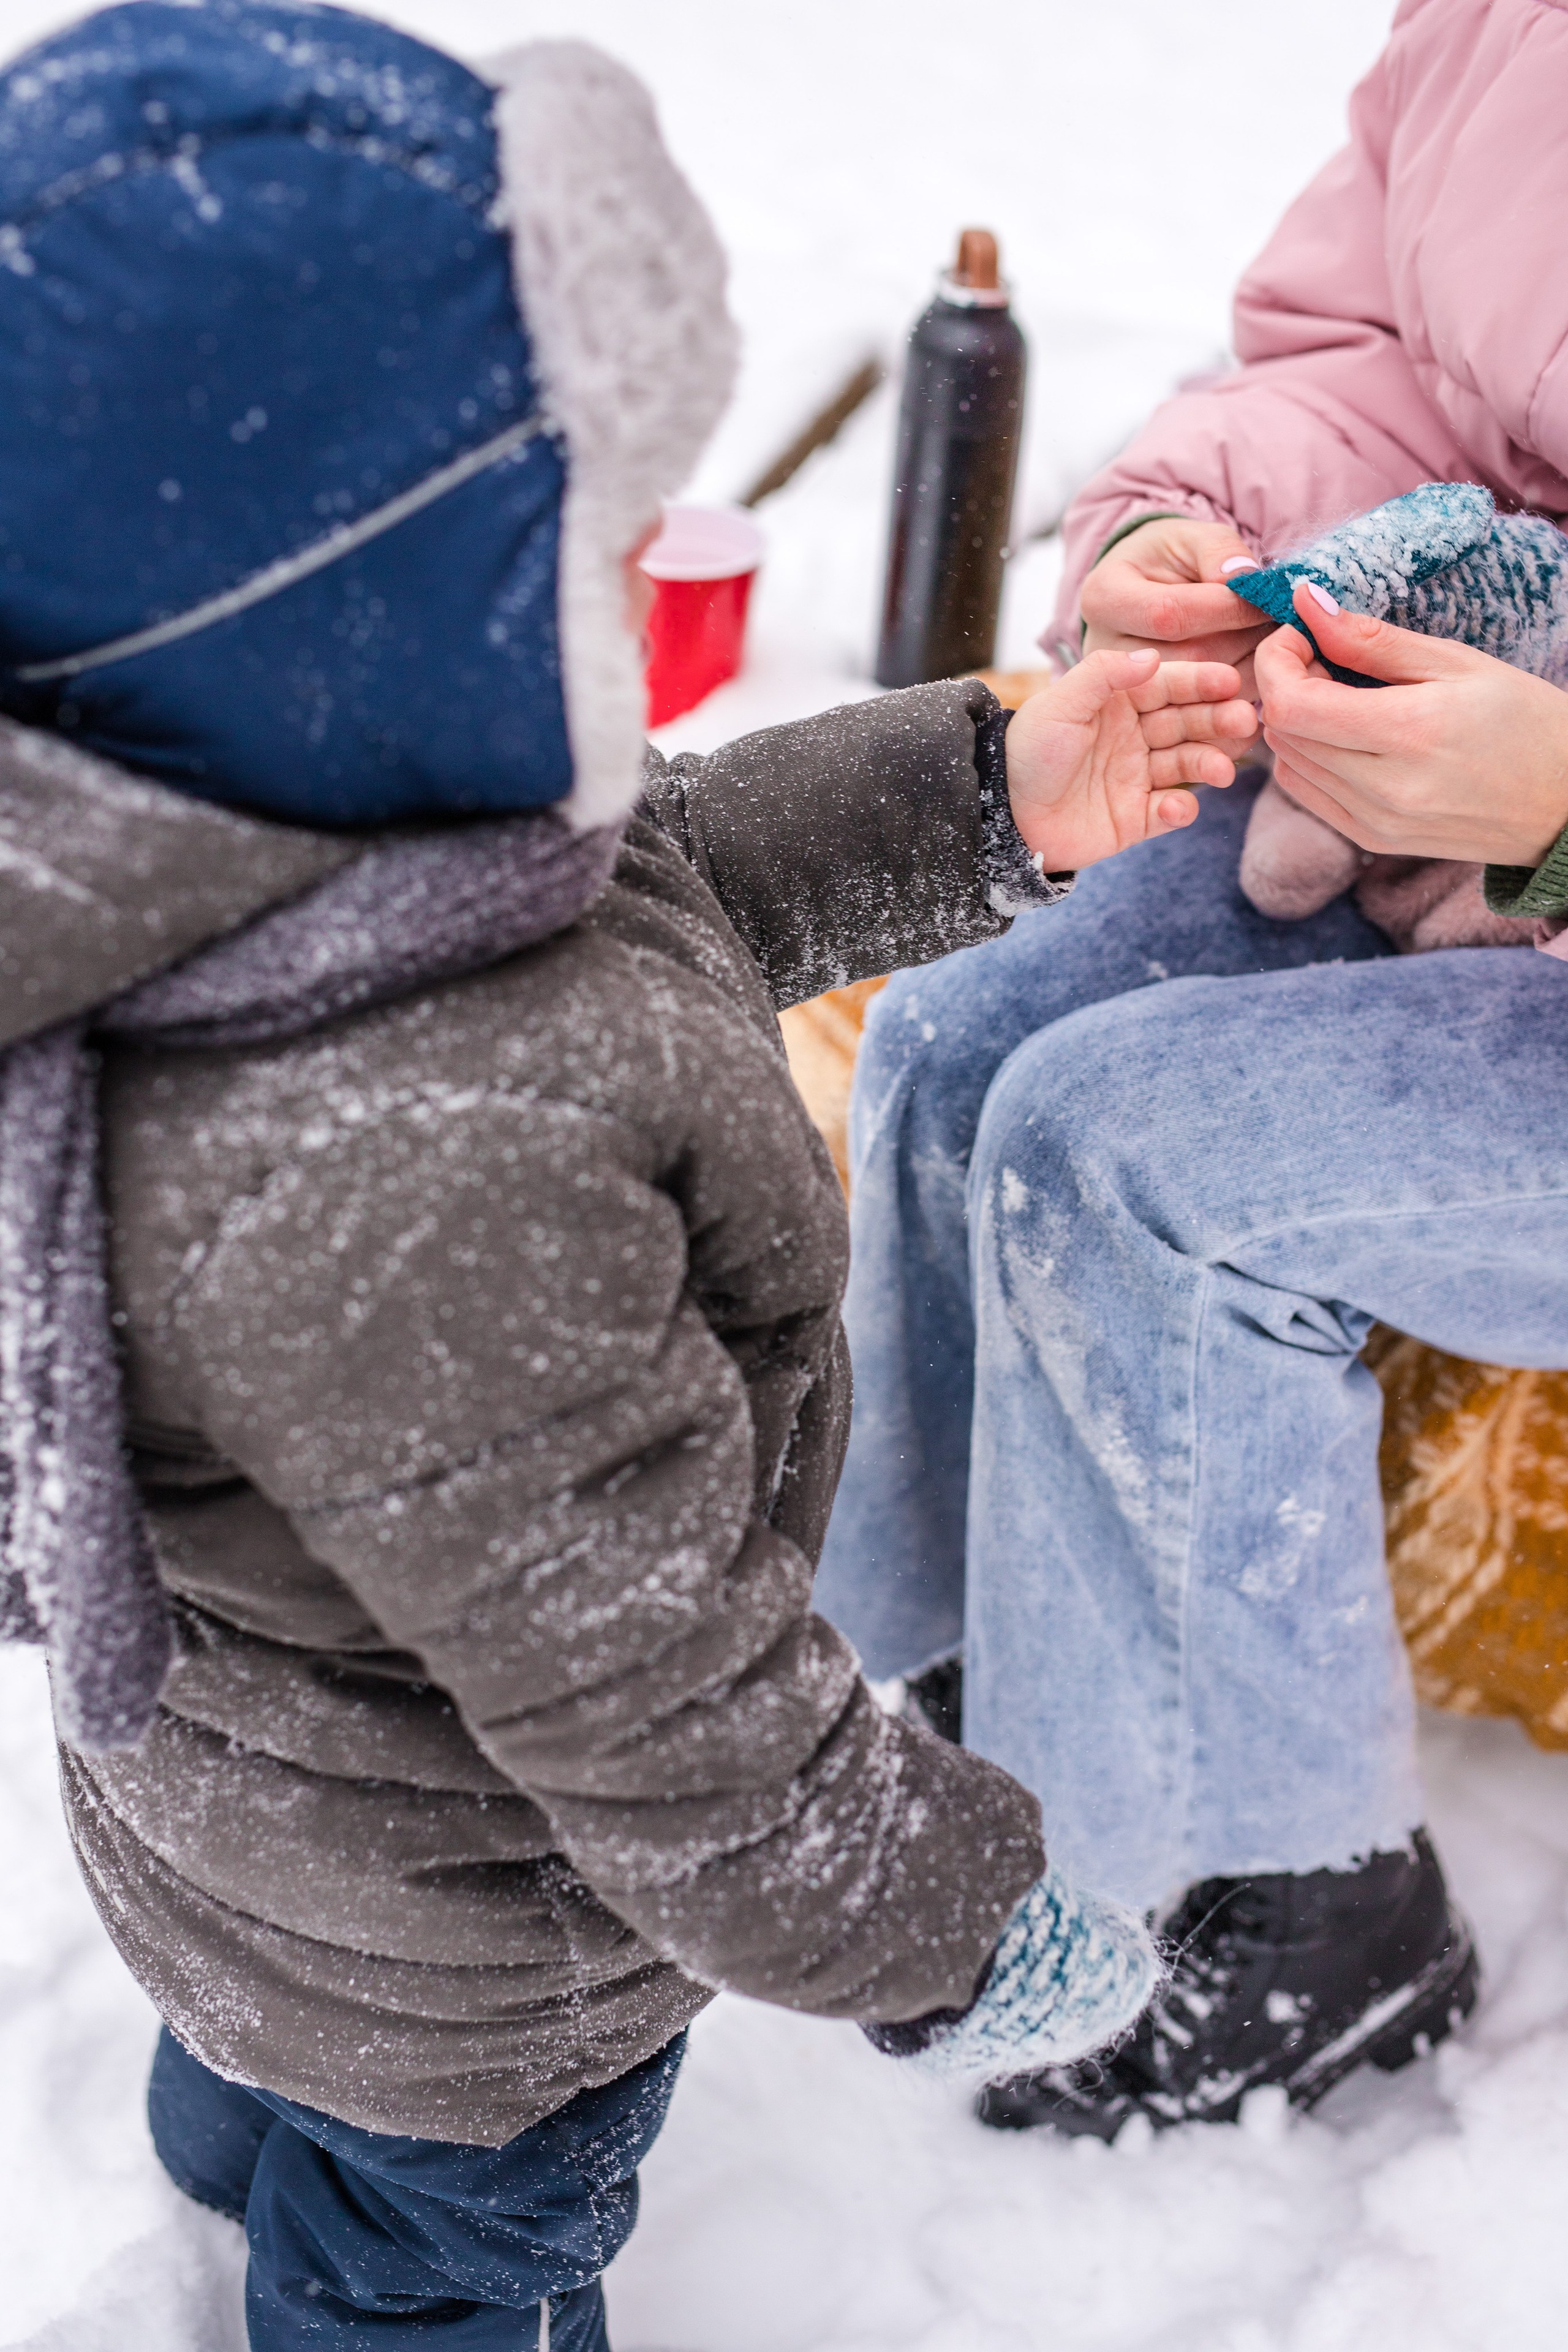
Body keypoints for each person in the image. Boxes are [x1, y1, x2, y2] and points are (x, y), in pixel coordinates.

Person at [0, 4, 1257, 2342]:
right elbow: (674, 1711)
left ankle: (230, 2155)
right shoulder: (423, 1173)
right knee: (423, 2258)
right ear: (375, 605)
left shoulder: (232, 824)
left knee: (273, 2066)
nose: (630, 574)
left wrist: (984, 788)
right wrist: (964, 1929)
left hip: (250, 1825)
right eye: (571, 536)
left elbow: (650, 872)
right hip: (466, 1956)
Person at [815, 0, 1568, 2138]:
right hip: (1453, 791)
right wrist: (1189, 538)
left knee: (1128, 1160)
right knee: (961, 1036)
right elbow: (1378, 359)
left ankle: (1306, 1912)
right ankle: (985, 1724)